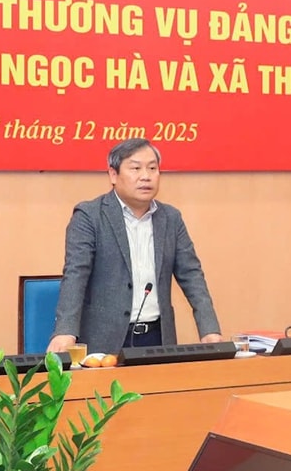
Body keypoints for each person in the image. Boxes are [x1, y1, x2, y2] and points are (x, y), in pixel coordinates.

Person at [48, 139, 223, 355]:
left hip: (158, 339)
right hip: (103, 341)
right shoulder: (89, 216)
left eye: (152, 168)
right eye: (135, 168)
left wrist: (209, 329)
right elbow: (76, 274)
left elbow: (192, 276)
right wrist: (65, 330)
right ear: (113, 175)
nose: (146, 176)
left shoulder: (171, 218)